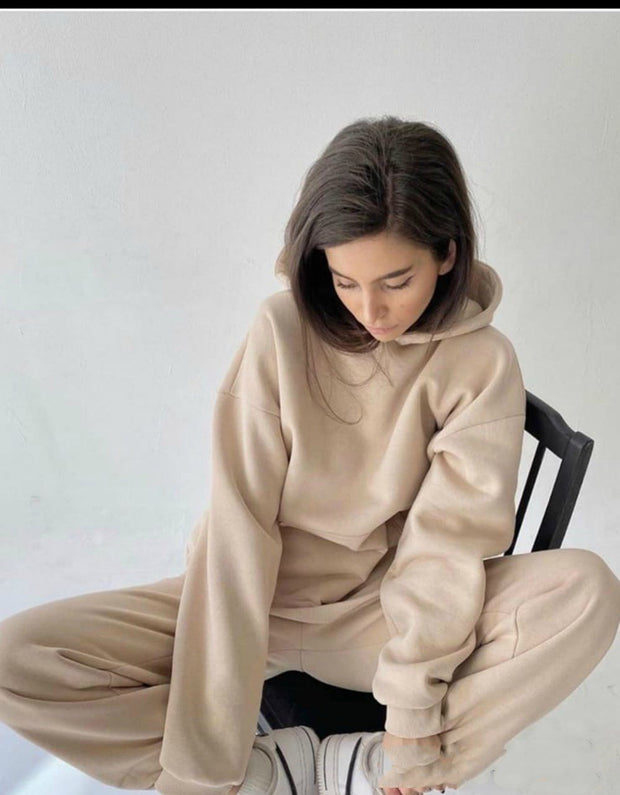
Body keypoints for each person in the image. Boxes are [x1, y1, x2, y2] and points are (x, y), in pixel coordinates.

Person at [0, 115, 619, 795]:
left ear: (447, 254)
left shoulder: (480, 362)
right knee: (18, 659)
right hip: (257, 603)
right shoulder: (281, 329)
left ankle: (377, 765)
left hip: (375, 615)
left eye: (396, 280)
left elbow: (444, 546)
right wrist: (208, 765)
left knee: (585, 590)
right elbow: (238, 528)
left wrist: (412, 723)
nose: (370, 310)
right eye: (345, 281)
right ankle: (271, 771)